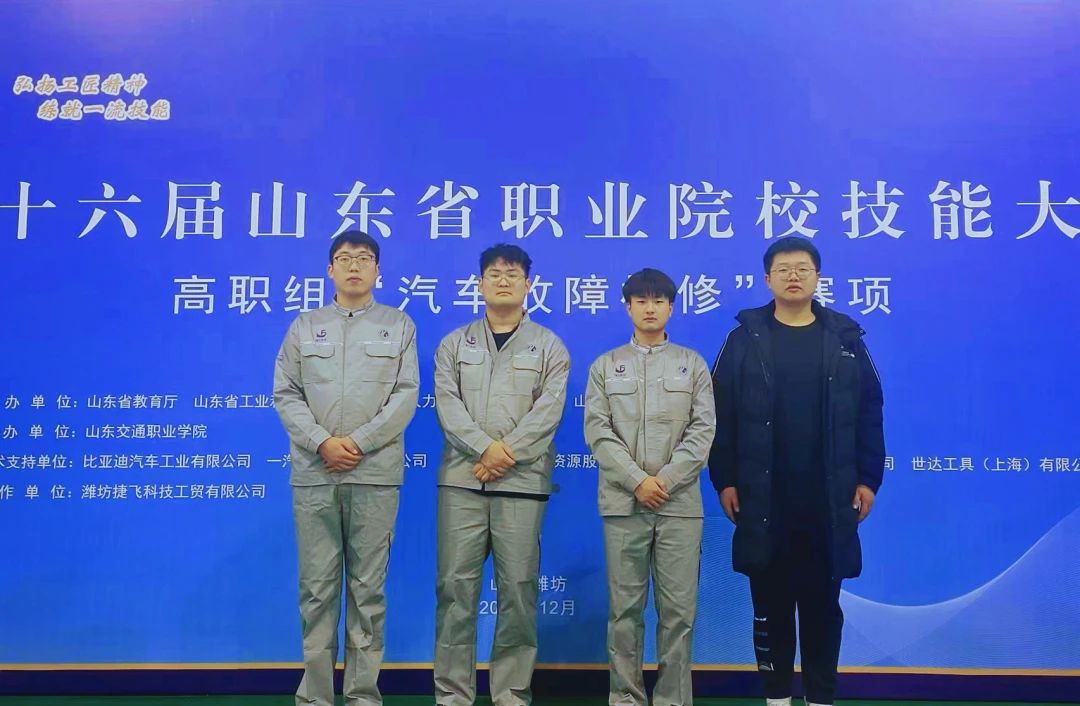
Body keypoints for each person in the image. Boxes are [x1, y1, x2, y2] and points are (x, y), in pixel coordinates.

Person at [709, 237, 885, 706]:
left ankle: (821, 698)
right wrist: (725, 479)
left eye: (802, 268)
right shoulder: (743, 339)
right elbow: (718, 415)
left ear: (817, 277)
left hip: (827, 502)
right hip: (763, 500)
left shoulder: (846, 339)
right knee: (770, 608)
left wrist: (868, 479)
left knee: (823, 610)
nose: (793, 275)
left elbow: (870, 412)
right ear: (767, 279)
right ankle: (777, 698)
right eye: (783, 268)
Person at [273, 230, 419, 706]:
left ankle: (362, 696)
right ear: (330, 269)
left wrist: (357, 443)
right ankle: (316, 697)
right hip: (315, 474)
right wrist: (322, 443)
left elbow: (405, 396)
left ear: (378, 270)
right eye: (344, 258)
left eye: (364, 258)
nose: (354, 265)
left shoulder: (399, 325)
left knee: (367, 593)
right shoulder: (304, 326)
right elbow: (286, 393)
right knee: (317, 591)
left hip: (374, 475)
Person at [433, 244, 571, 706]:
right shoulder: (455, 344)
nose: (504, 280)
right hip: (462, 482)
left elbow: (548, 411)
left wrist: (504, 454)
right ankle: (452, 695)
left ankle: (511, 693)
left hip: (521, 483)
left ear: (528, 284)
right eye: (494, 273)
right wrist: (484, 449)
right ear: (480, 284)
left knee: (518, 591)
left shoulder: (549, 346)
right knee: (455, 590)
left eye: (513, 274)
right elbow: (448, 406)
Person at [584, 268, 715, 706]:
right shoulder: (605, 366)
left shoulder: (692, 364)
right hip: (624, 503)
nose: (650, 308)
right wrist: (638, 481)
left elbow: (703, 431)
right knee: (624, 612)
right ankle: (625, 697)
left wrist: (665, 480)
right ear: (628, 307)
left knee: (678, 613)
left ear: (671, 307)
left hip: (679, 506)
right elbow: (598, 431)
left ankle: (673, 699)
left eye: (659, 300)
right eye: (641, 300)